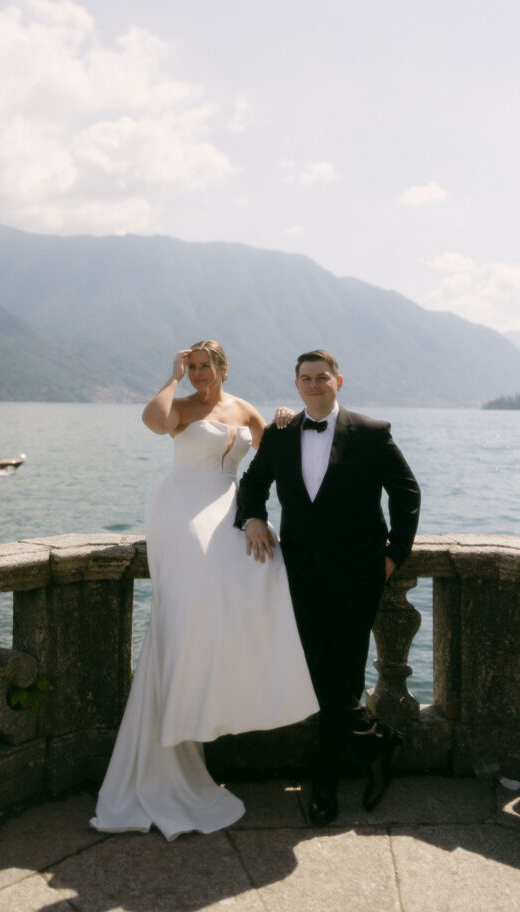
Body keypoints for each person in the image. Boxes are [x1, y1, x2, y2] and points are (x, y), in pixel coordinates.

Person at [90, 341, 318, 840]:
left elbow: (276, 454)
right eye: (189, 367)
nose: (196, 374)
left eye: (202, 366)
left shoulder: (242, 409)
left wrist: (286, 418)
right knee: (195, 601)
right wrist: (170, 375)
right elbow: (152, 421)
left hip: (232, 505)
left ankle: (236, 691)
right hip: (182, 510)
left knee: (265, 571)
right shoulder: (180, 407)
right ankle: (183, 714)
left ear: (222, 367)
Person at [235, 349, 420, 825]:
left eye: (322, 377)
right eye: (305, 378)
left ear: (339, 381)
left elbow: (406, 492)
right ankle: (379, 742)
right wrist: (254, 518)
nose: (314, 384)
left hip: (359, 575)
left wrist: (393, 556)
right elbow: (250, 486)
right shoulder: (280, 435)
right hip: (300, 573)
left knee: (346, 676)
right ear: (296, 385)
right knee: (322, 677)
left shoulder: (373, 433)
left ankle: (327, 783)